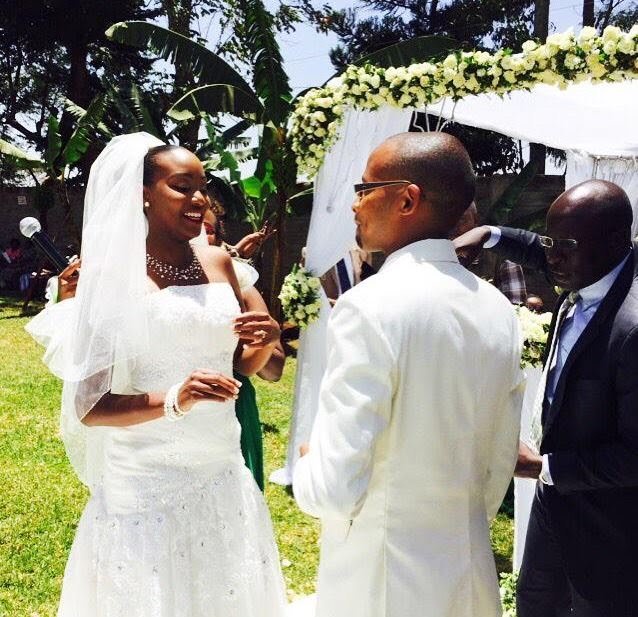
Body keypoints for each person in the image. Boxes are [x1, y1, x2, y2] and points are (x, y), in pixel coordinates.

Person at [26, 133, 286, 616]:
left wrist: (264, 341)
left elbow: (237, 368)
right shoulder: (111, 278)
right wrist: (174, 399)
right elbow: (90, 407)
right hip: (147, 483)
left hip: (221, 468)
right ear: (143, 194)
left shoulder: (220, 262)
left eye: (202, 187)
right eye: (182, 187)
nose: (199, 199)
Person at [292, 132, 524, 617]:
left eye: (364, 188)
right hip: (468, 569)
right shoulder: (498, 308)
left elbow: (335, 489)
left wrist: (309, 464)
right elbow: (500, 459)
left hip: (382, 577)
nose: (354, 205)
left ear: (406, 200)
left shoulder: (369, 306)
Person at [453, 179, 638, 616]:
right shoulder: (584, 264)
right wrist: (489, 233)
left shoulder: (631, 329)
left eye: (564, 247)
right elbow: (542, 248)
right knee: (535, 604)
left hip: (610, 525)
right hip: (553, 503)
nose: (551, 257)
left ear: (616, 241)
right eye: (550, 242)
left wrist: (542, 467)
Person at [202, 206, 285, 490]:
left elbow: (274, 370)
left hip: (231, 405)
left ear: (219, 240)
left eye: (208, 229)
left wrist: (264, 339)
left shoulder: (239, 284)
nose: (197, 233)